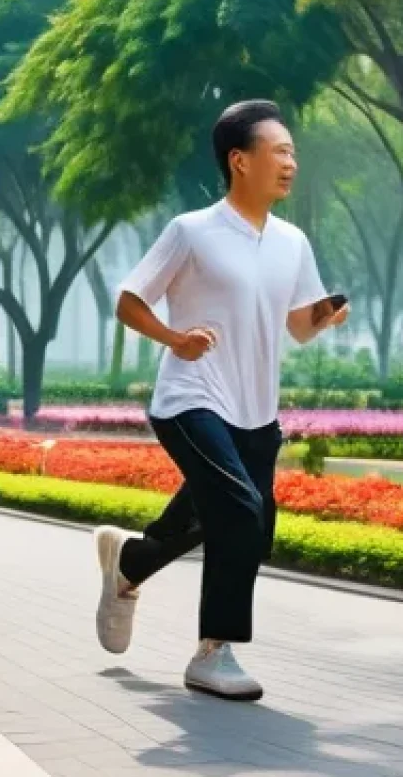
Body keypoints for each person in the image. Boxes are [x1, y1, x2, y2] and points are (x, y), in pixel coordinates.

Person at [94, 101, 348, 701]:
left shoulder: (291, 242)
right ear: (240, 160)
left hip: (256, 410)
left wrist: (324, 318)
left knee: (220, 517)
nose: (291, 162)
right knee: (239, 510)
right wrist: (174, 339)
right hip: (191, 397)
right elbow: (129, 299)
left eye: (293, 152)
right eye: (279, 151)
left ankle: (129, 564)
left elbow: (297, 326)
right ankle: (214, 651)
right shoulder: (192, 232)